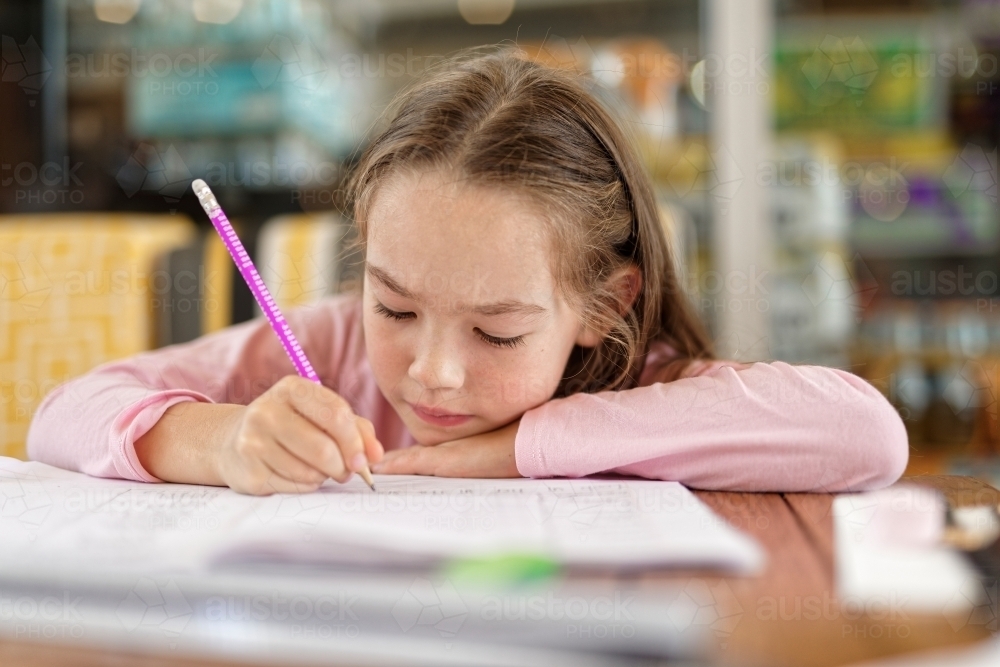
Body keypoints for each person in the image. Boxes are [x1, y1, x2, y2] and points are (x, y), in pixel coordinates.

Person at [27, 49, 908, 496]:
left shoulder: (646, 385)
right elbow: (63, 415)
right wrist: (221, 440)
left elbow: (867, 434)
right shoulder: (332, 343)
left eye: (498, 330)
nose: (432, 372)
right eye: (396, 307)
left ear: (606, 303)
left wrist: (505, 455)